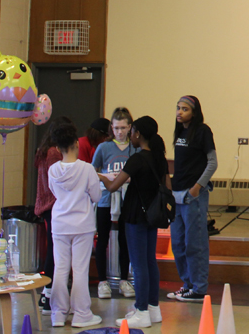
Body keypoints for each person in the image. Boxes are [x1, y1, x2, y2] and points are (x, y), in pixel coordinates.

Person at [99, 116, 170, 328]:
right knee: (149, 262)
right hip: (152, 216)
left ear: (138, 134)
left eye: (132, 131)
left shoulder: (137, 159)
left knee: (138, 265)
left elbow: (112, 187)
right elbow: (168, 187)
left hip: (134, 216)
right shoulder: (159, 159)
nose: (130, 135)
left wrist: (100, 176)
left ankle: (141, 311)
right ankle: (153, 308)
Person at [48, 121, 102, 328]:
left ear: (58, 147)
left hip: (59, 224)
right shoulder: (86, 169)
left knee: (60, 268)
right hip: (82, 225)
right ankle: (81, 314)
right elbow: (96, 196)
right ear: (75, 144)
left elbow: (55, 193)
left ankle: (58, 314)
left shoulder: (53, 170)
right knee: (79, 269)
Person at [167, 95, 218, 303]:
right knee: (178, 243)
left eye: (185, 109)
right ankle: (187, 284)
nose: (180, 112)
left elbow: (212, 163)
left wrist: (197, 187)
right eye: (178, 108)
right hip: (177, 194)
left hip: (193, 195)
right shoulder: (180, 132)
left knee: (194, 242)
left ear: (194, 112)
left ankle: (198, 288)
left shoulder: (203, 131)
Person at [92, 107, 137, 299]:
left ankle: (124, 279)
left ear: (129, 128)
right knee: (103, 239)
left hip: (127, 199)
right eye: (116, 128)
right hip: (106, 200)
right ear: (112, 128)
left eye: (123, 128)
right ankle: (102, 281)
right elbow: (93, 171)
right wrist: (107, 177)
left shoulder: (134, 148)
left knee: (125, 240)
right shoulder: (104, 148)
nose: (120, 132)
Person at [34, 116, 72, 315]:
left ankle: (48, 294)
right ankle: (48, 294)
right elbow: (60, 181)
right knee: (54, 251)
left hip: (48, 205)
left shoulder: (44, 151)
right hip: (52, 206)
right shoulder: (53, 154)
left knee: (54, 249)